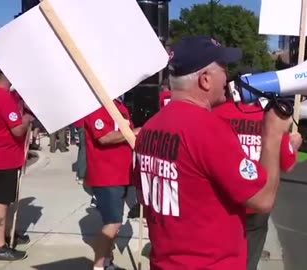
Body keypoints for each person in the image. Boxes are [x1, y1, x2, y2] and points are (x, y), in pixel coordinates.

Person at [133, 36, 292, 269]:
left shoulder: (148, 129)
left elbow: (143, 197)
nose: (227, 77)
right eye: (224, 69)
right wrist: (272, 135)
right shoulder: (208, 129)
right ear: (205, 80)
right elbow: (262, 198)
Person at [212, 95, 302, 270]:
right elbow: (287, 164)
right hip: (257, 203)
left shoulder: (216, 113)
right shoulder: (272, 118)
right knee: (249, 259)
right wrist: (293, 145)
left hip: (225, 202)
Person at [0, 62, 34, 261]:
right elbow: (17, 130)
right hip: (3, 157)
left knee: (7, 198)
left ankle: (8, 234)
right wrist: (27, 118)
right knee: (2, 201)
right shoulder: (3, 98)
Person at [83, 98, 140, 270]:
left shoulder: (119, 105)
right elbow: (104, 137)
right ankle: (99, 266)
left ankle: (107, 262)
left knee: (114, 221)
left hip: (121, 174)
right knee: (113, 223)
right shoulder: (97, 105)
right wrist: (132, 133)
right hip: (106, 175)